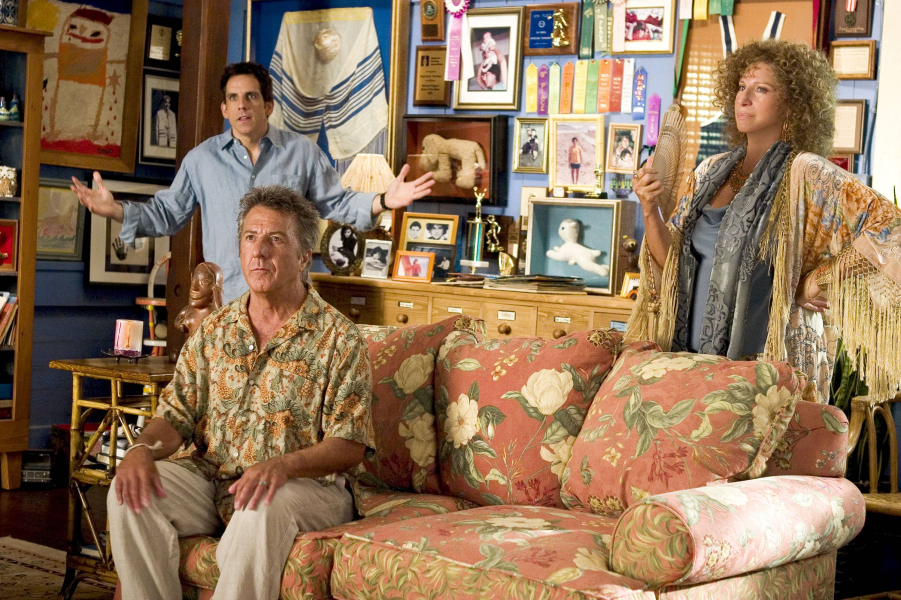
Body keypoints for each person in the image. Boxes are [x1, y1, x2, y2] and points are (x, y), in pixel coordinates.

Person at [106, 185, 375, 600]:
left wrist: (283, 466)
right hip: (212, 479)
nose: (258, 252)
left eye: (275, 239)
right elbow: (175, 414)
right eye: (250, 237)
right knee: (129, 493)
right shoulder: (215, 329)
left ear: (304, 256)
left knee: (259, 502)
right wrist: (142, 449)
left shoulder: (340, 338)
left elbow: (349, 444)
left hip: (308, 488)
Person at [628, 39, 901, 403]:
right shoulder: (709, 172)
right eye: (741, 87)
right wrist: (649, 208)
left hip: (770, 369)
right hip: (689, 362)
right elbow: (671, 265)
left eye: (761, 90)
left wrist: (814, 284)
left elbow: (890, 228)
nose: (743, 99)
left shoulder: (807, 174)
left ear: (791, 104)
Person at [70, 61, 434, 302]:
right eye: (233, 98)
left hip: (289, 301)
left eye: (250, 96)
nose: (242, 105)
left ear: (268, 105)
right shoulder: (201, 160)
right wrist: (115, 210)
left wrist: (383, 200)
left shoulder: (302, 153)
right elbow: (167, 213)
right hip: (226, 301)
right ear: (224, 109)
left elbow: (337, 201)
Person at [173, 262, 224, 336]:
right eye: (193, 281)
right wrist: (179, 324)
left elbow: (220, 319)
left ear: (216, 289)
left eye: (204, 282)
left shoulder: (212, 313)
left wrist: (218, 299)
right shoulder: (188, 310)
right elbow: (177, 320)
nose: (194, 288)